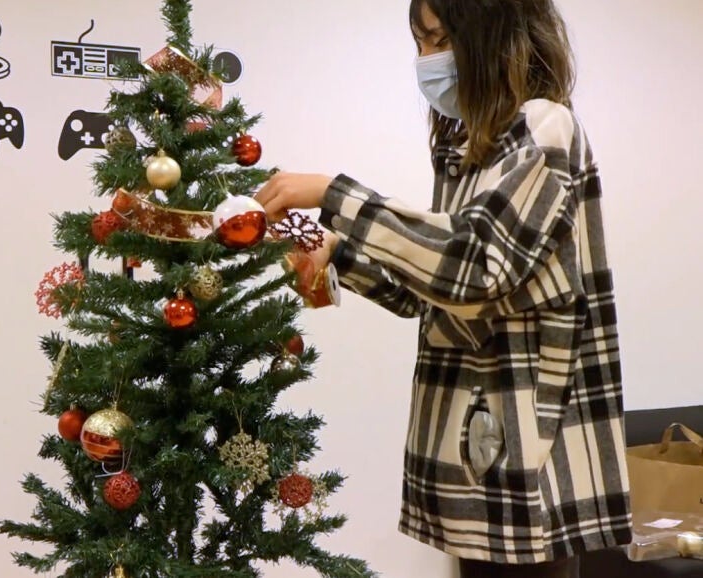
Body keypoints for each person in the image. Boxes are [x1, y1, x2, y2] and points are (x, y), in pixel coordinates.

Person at [254, 1, 632, 577]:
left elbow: (474, 266)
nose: (426, 61)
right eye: (420, 44)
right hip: (476, 450)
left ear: (493, 36)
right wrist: (340, 253)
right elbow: (435, 292)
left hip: (524, 453)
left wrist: (336, 194)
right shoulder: (472, 149)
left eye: (440, 41)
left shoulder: (544, 127)